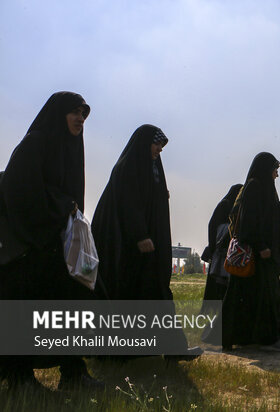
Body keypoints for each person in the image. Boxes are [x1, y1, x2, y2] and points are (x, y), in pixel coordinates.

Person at [0, 92, 103, 389]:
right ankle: (20, 376)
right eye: (74, 112)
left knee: (71, 304)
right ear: (58, 114)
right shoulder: (36, 142)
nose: (80, 119)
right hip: (28, 245)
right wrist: (62, 204)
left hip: (56, 244)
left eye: (83, 114)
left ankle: (73, 372)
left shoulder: (71, 147)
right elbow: (16, 189)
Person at [91, 124, 202, 360]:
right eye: (156, 145)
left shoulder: (150, 167)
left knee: (156, 293)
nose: (159, 150)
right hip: (132, 248)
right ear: (143, 143)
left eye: (161, 147)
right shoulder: (128, 167)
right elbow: (129, 203)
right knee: (136, 296)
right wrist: (140, 234)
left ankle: (171, 348)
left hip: (147, 249)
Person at [220, 152, 280, 351]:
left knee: (253, 297)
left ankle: (250, 337)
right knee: (261, 296)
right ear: (266, 169)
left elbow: (267, 216)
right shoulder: (254, 187)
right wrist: (261, 246)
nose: (276, 175)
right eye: (274, 170)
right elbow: (250, 221)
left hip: (261, 253)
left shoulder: (264, 188)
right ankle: (266, 339)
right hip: (257, 254)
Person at [200, 184, 243, 302]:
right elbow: (213, 225)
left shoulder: (233, 205)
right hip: (220, 250)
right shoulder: (225, 204)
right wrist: (213, 246)